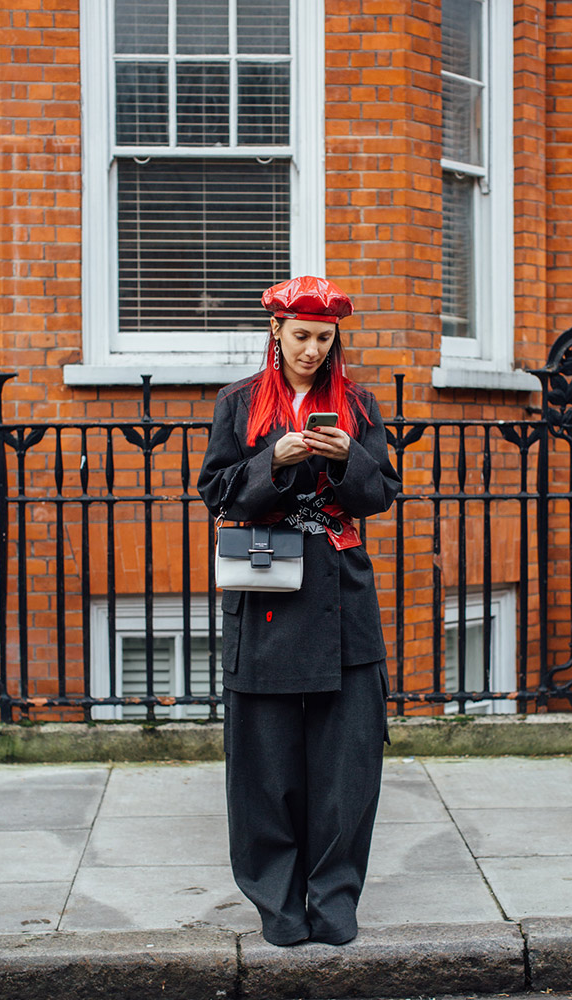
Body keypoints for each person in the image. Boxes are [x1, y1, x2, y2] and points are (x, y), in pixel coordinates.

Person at [197, 275, 400, 947]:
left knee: (347, 764)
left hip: (341, 589)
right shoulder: (239, 403)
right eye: (300, 336)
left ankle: (334, 899)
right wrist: (272, 459)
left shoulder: (359, 403)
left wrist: (348, 459)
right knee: (265, 764)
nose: (311, 350)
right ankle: (278, 906)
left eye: (323, 338)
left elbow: (382, 493)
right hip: (267, 589)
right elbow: (216, 492)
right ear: (276, 334)